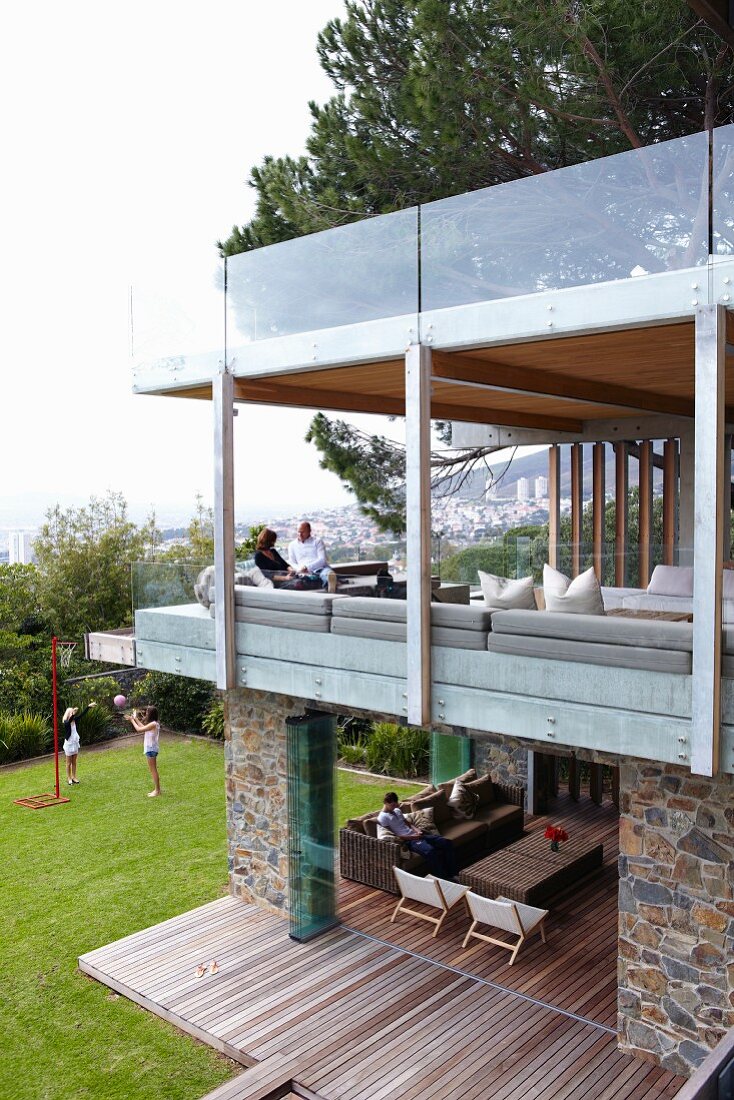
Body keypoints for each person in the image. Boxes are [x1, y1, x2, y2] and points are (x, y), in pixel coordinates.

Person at [377, 792, 457, 880]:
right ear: (385, 803)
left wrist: (417, 830)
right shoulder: (382, 818)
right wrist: (413, 837)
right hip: (410, 841)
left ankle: (453, 873)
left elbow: (408, 823)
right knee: (430, 851)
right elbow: (395, 836)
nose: (395, 806)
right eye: (393, 805)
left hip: (418, 835)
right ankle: (443, 878)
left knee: (446, 842)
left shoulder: (397, 810)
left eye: (396, 804)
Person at [287, 521, 337, 592]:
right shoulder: (292, 545)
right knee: (301, 580)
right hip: (303, 572)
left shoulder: (317, 542)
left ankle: (329, 584)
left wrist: (308, 567)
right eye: (298, 532)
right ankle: (325, 583)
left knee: (327, 574)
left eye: (303, 532)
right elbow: (292, 562)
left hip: (320, 569)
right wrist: (300, 569)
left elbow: (322, 559)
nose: (300, 534)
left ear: (309, 531)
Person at [126, 705, 162, 797]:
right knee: (153, 769)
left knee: (153, 770)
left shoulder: (153, 724)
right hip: (151, 748)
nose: (146, 713)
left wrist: (132, 720)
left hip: (151, 749)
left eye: (147, 712)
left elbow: (139, 729)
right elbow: (144, 728)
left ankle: (157, 791)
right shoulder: (154, 724)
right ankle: (157, 790)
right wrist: (136, 719)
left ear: (150, 714)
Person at [61, 703, 97, 785]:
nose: (72, 714)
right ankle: (69, 778)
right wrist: (73, 714)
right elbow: (69, 721)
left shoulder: (75, 720)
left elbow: (82, 715)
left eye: (72, 712)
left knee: (74, 762)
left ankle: (74, 777)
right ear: (68, 714)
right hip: (69, 744)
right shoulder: (66, 722)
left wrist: (88, 707)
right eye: (70, 712)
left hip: (75, 743)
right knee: (68, 763)